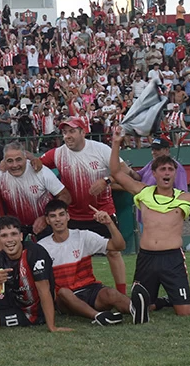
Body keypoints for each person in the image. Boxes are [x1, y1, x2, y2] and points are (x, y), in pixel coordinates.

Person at [110, 127, 190, 318]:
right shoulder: (143, 191)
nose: (166, 173)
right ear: (155, 173)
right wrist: (116, 143)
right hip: (147, 258)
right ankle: (169, 300)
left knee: (184, 311)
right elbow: (116, 173)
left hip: (172, 259)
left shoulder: (185, 198)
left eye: (170, 169)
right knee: (142, 307)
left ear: (175, 174)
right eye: (162, 169)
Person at [40, 116, 139, 295]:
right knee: (67, 253)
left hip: (101, 212)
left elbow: (124, 171)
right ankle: (67, 293)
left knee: (114, 252)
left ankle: (122, 295)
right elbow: (36, 165)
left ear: (83, 132)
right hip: (73, 214)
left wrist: (106, 180)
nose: (67, 136)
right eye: (64, 132)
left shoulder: (100, 149)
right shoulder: (58, 153)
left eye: (72, 131)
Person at [36, 200, 146, 326]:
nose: (58, 219)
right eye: (53, 216)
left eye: (61, 214)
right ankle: (98, 316)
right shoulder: (42, 247)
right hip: (66, 298)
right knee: (63, 292)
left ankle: (136, 310)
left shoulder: (83, 236)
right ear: (48, 220)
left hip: (90, 289)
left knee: (111, 293)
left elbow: (119, 246)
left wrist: (109, 223)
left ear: (68, 216)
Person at [0, 216, 71, 332]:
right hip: (12, 302)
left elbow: (44, 290)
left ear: (21, 236)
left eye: (13, 234)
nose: (9, 240)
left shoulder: (35, 252)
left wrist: (52, 327)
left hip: (32, 312)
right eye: (4, 236)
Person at [0, 141, 70, 236]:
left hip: (44, 225)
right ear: (4, 161)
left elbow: (65, 196)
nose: (15, 165)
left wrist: (46, 217)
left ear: (25, 158)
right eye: (10, 161)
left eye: (19, 160)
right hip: (17, 228)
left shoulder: (40, 171)